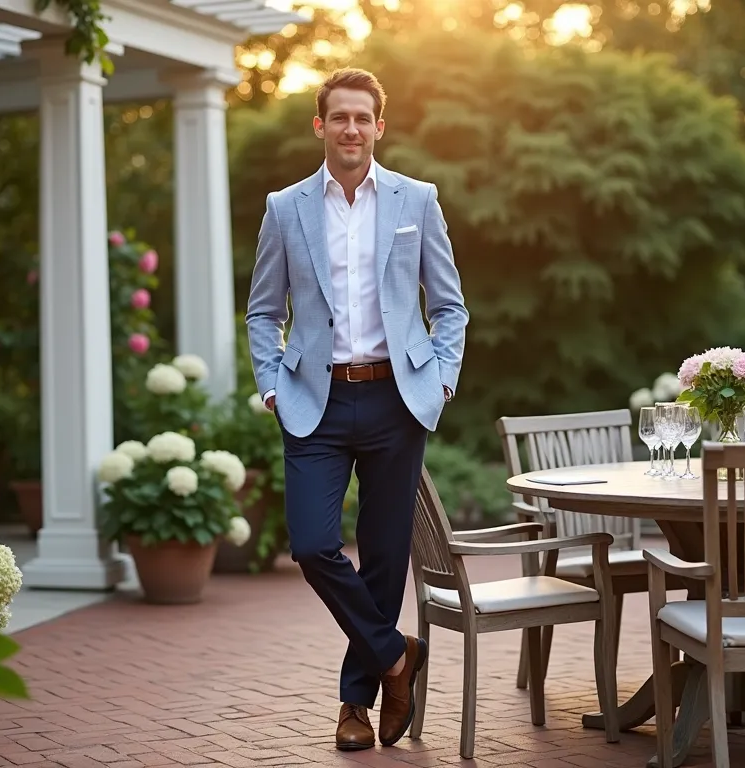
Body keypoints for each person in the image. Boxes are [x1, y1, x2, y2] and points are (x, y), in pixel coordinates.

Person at [245, 67, 468, 752]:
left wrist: (443, 380)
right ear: (321, 125)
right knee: (313, 545)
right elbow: (262, 309)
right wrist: (273, 385)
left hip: (397, 399)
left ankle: (355, 706)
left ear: (379, 126)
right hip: (315, 400)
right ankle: (396, 656)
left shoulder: (416, 199)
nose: (350, 129)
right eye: (338, 117)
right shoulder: (286, 209)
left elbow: (449, 306)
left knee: (380, 558)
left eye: (361, 118)